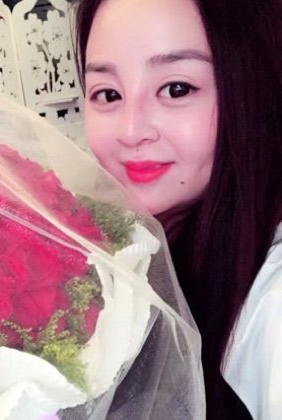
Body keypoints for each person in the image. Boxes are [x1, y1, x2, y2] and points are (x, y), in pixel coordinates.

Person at [74, 0, 282, 418]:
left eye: (176, 89)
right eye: (108, 94)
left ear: (254, 89)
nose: (131, 131)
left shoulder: (272, 305)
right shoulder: (137, 247)